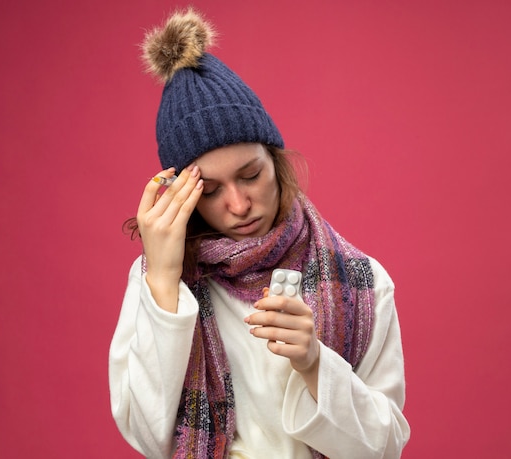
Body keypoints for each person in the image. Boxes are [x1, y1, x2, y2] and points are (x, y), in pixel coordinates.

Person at [109, 8, 410, 459]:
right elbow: (146, 437)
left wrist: (314, 364)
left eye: (250, 175)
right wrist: (165, 279)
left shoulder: (361, 281)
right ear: (182, 195)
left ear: (276, 162)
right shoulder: (160, 282)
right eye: (208, 190)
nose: (238, 204)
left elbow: (385, 448)